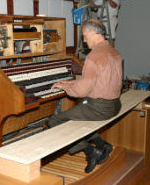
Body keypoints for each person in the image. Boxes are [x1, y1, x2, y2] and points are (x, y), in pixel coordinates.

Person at [42, 19, 122, 173]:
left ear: (93, 32)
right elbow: (97, 82)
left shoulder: (94, 56)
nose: (84, 40)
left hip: (100, 108)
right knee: (80, 112)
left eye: (85, 36)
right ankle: (101, 144)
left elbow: (81, 91)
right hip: (115, 105)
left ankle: (92, 152)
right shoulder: (114, 52)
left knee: (54, 122)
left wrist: (65, 86)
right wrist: (69, 82)